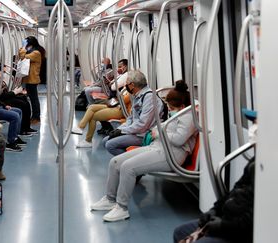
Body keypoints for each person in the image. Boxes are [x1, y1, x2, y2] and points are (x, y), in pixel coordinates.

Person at [90, 80, 196, 222]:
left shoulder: (189, 117)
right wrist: (158, 131)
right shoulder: (177, 114)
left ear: (182, 106)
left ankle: (122, 208)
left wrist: (158, 133)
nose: (169, 110)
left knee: (128, 167)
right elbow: (162, 127)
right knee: (115, 162)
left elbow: (178, 139)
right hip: (158, 147)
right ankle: (110, 199)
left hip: (172, 154)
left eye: (171, 107)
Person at [173, 109, 257, 243]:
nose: (253, 130)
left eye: (257, 125)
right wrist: (214, 211)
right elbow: (234, 191)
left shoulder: (269, 171)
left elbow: (255, 218)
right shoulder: (255, 162)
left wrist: (222, 226)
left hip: (243, 231)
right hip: (229, 217)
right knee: (180, 232)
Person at [102, 70, 163, 156]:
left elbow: (143, 125)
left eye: (126, 83)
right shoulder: (137, 96)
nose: (125, 86)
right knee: (105, 140)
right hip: (136, 131)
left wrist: (122, 131)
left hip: (144, 134)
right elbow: (131, 118)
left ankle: (127, 161)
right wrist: (119, 129)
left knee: (110, 145)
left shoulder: (149, 98)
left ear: (132, 85)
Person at [72, 71, 132, 148]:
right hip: (115, 105)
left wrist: (117, 97)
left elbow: (122, 100)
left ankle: (88, 140)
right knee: (91, 107)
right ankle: (80, 127)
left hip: (120, 110)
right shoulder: (126, 88)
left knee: (93, 117)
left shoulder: (130, 91)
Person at [0, 63, 37, 136]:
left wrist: (16, 92)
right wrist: (14, 92)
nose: (5, 74)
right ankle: (23, 129)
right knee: (22, 104)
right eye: (3, 72)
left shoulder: (1, 81)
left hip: (6, 98)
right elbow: (1, 96)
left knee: (24, 100)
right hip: (3, 101)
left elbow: (5, 92)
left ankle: (26, 127)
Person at [19, 36, 42, 125]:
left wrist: (23, 48)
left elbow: (22, 57)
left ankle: (36, 117)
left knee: (34, 99)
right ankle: (34, 116)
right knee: (32, 98)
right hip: (28, 79)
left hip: (32, 79)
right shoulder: (31, 51)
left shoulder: (36, 53)